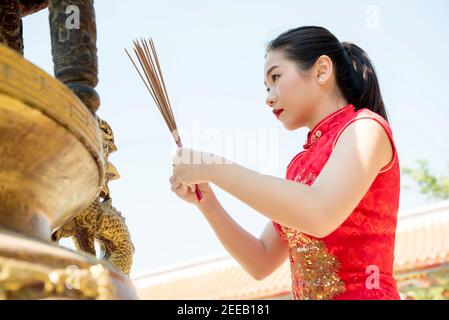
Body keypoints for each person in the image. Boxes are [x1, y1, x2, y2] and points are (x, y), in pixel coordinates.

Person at [169, 26, 400, 300]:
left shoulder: (366, 128)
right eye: (267, 87)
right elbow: (261, 260)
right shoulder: (299, 167)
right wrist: (206, 201)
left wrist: (212, 167)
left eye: (276, 77)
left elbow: (319, 213)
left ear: (322, 70)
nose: (269, 97)